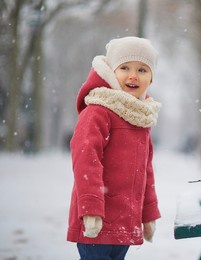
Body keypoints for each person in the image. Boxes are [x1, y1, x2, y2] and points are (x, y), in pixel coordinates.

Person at [67, 36, 162, 260]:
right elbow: (85, 160)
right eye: (125, 67)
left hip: (124, 223)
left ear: (151, 78)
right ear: (110, 71)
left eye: (142, 70)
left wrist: (148, 214)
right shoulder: (98, 111)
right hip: (96, 222)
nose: (133, 75)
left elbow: (145, 172)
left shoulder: (140, 117)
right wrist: (90, 209)